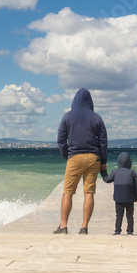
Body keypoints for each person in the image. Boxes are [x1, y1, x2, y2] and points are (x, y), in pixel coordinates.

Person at [54, 88, 107, 234]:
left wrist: (67, 155)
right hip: (93, 158)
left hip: (74, 157)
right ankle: (84, 227)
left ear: (74, 100)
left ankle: (63, 226)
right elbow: (103, 142)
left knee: (68, 192)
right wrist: (103, 161)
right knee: (88, 192)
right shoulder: (97, 118)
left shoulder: (67, 116)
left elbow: (60, 140)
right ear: (90, 101)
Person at [100, 152, 137, 235]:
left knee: (119, 215)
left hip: (118, 198)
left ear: (118, 162)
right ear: (129, 162)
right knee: (130, 215)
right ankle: (130, 231)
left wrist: (103, 172)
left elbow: (107, 180)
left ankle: (117, 231)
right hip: (130, 198)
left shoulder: (115, 172)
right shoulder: (132, 173)